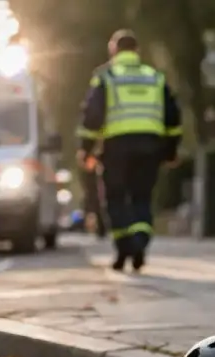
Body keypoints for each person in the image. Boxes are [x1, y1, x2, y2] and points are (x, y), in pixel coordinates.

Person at [76, 29, 182, 271]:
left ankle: (127, 247)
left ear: (113, 50)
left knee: (115, 199)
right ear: (137, 51)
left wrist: (86, 149)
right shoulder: (155, 77)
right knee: (141, 197)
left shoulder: (106, 77)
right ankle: (138, 244)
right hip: (149, 147)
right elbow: (173, 117)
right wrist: (171, 150)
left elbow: (92, 117)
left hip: (116, 148)